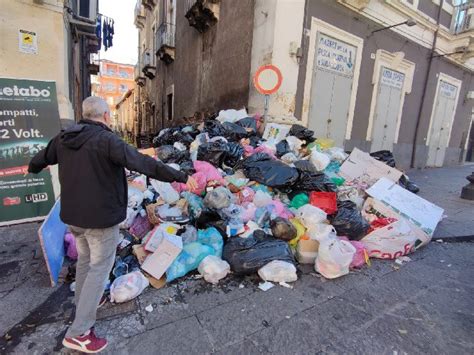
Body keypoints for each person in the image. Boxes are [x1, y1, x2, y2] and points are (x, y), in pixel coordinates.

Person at [28, 96, 197, 353]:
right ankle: (79, 332)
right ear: (106, 116)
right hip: (100, 219)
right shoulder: (107, 140)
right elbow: (145, 164)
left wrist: (31, 168)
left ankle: (83, 306)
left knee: (85, 262)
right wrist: (180, 176)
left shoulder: (63, 138)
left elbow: (41, 158)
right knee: (99, 268)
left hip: (73, 217)